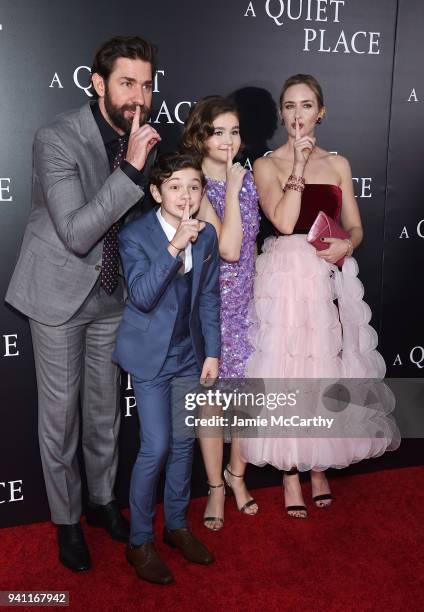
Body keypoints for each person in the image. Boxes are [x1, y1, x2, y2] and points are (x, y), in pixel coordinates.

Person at [5, 36, 161, 570]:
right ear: (98, 84)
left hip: (111, 296)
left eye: (145, 83)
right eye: (126, 83)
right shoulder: (56, 138)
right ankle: (67, 521)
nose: (138, 95)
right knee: (61, 419)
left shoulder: (143, 139)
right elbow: (75, 232)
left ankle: (100, 503)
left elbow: (137, 225)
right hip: (58, 293)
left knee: (104, 414)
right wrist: (133, 173)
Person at [240, 74, 399, 518]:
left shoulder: (339, 164)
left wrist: (349, 244)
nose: (297, 115)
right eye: (289, 106)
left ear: (320, 112)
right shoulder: (266, 164)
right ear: (281, 113)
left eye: (306, 106)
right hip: (285, 277)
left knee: (326, 365)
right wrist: (296, 169)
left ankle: (318, 466)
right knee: (288, 367)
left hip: (327, 276)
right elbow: (285, 223)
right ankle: (291, 472)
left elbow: (356, 225)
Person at [113, 152, 220, 584]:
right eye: (174, 186)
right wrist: (175, 246)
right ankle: (140, 541)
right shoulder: (136, 235)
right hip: (150, 357)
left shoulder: (208, 236)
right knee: (156, 447)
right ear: (156, 192)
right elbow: (141, 295)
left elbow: (208, 298)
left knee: (182, 445)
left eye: (193, 186)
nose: (185, 194)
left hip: (189, 356)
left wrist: (212, 351)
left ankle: (176, 526)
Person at [181, 96, 260, 531]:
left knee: (245, 401)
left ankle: (237, 476)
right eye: (218, 132)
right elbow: (227, 249)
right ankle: (214, 488)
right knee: (211, 402)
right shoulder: (194, 186)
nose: (228, 141)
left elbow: (250, 248)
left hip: (247, 303)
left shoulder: (248, 180)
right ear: (200, 135)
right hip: (211, 306)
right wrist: (229, 187)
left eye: (234, 132)